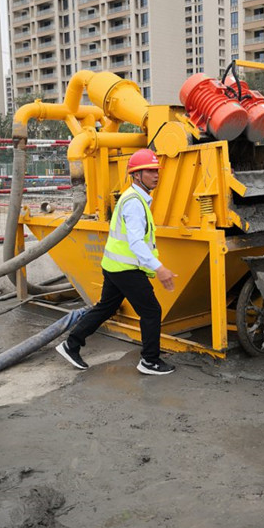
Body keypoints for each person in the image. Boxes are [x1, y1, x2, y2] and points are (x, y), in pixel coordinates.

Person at [56, 148, 177, 375]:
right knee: (151, 311)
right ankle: (149, 361)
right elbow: (135, 242)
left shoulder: (136, 198)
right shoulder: (133, 202)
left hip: (114, 266)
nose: (156, 174)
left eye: (156, 170)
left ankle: (71, 344)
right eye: (149, 171)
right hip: (125, 268)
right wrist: (159, 268)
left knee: (106, 307)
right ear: (136, 175)